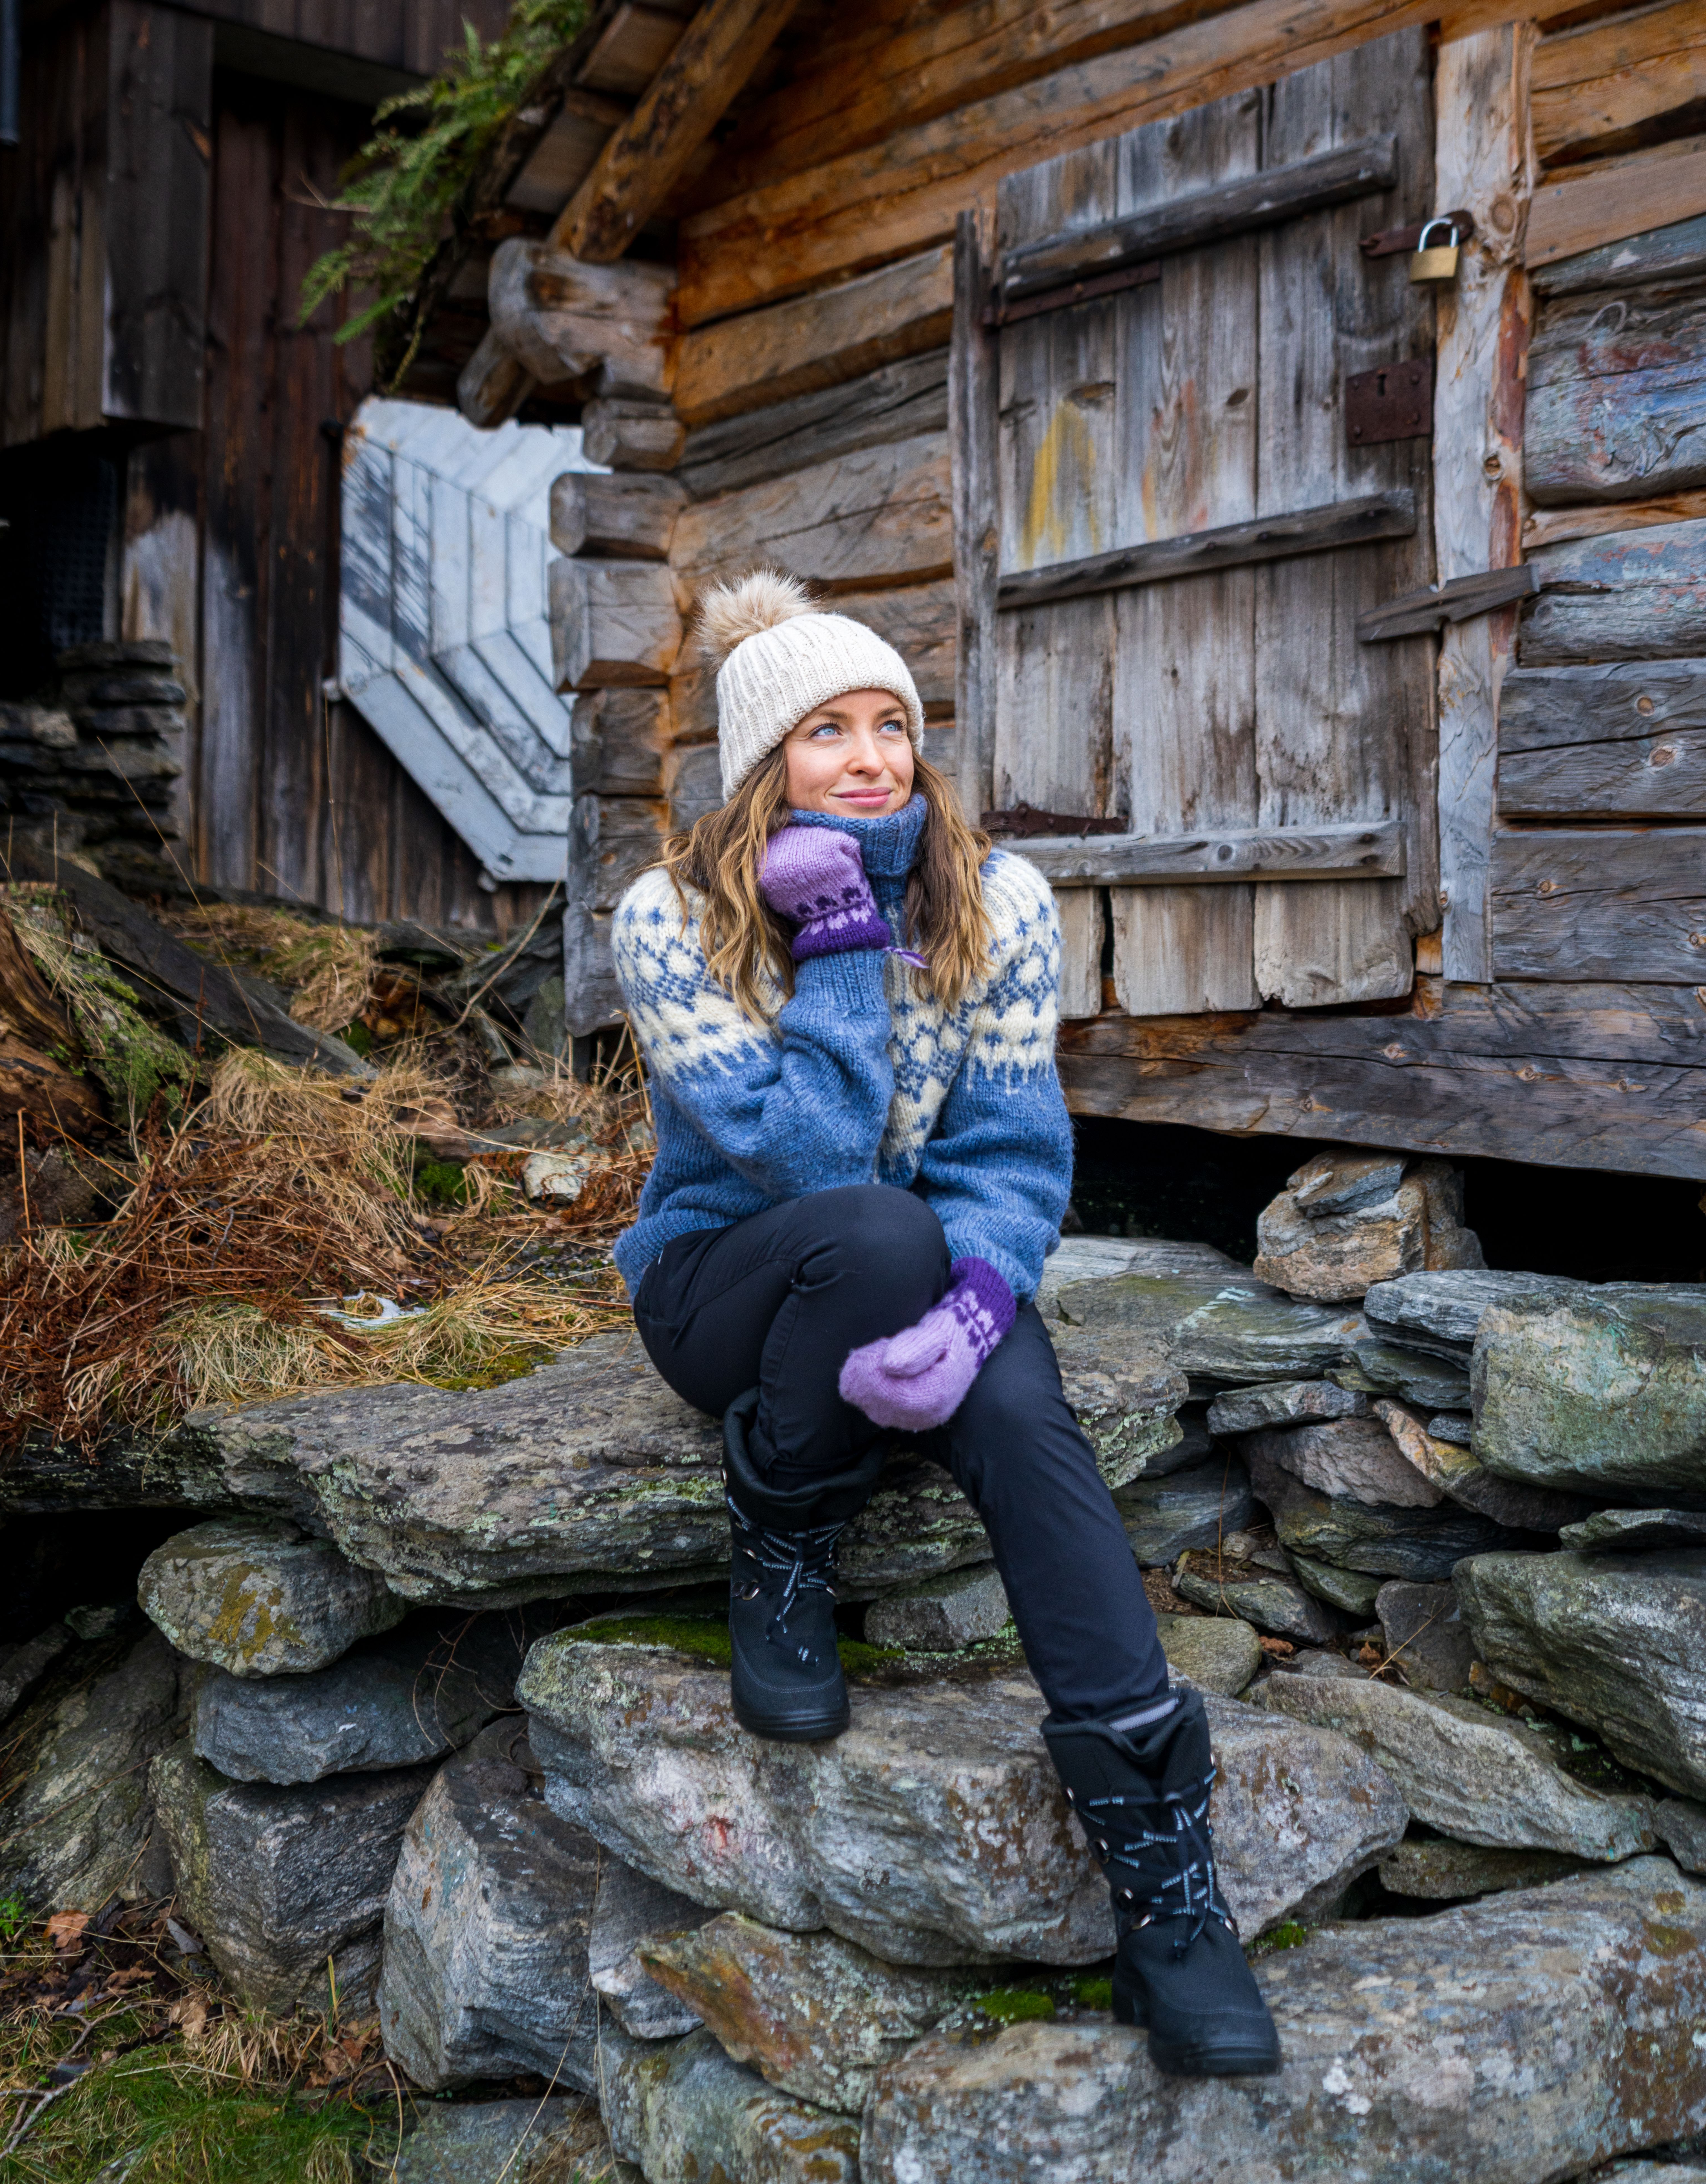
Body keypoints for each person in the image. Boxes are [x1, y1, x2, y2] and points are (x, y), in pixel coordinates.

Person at [609, 568, 1279, 2079]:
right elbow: (811, 1163)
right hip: (726, 1282)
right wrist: (841, 934)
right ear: (759, 761)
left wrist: (980, 1306)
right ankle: (780, 1527)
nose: (871, 758)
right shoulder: (667, 919)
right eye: (826, 731)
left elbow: (1009, 1159)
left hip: (919, 1261)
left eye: (893, 725)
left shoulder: (1000, 900)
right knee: (873, 1219)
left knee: (1031, 1419)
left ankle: (1171, 1899)